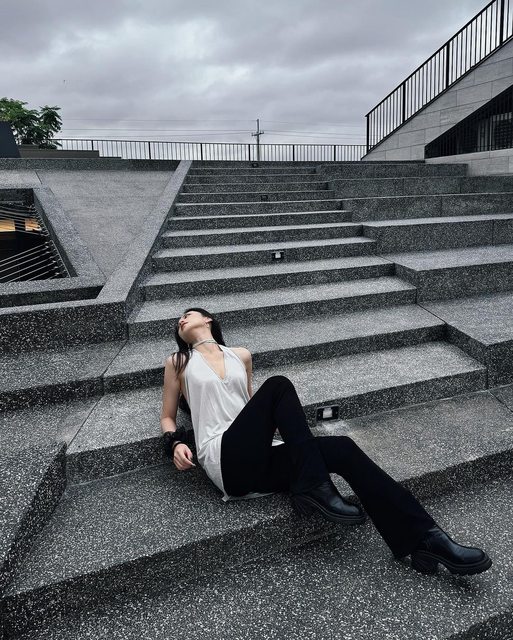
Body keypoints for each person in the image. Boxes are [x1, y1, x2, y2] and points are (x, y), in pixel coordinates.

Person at [160, 307, 492, 576]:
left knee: (342, 448)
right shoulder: (178, 362)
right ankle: (313, 485)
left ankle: (425, 539)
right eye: (179, 321)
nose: (181, 320)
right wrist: (175, 443)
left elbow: (251, 407)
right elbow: (167, 417)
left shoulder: (240, 356)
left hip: (261, 454)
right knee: (278, 385)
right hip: (225, 459)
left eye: (188, 314)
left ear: (208, 320)